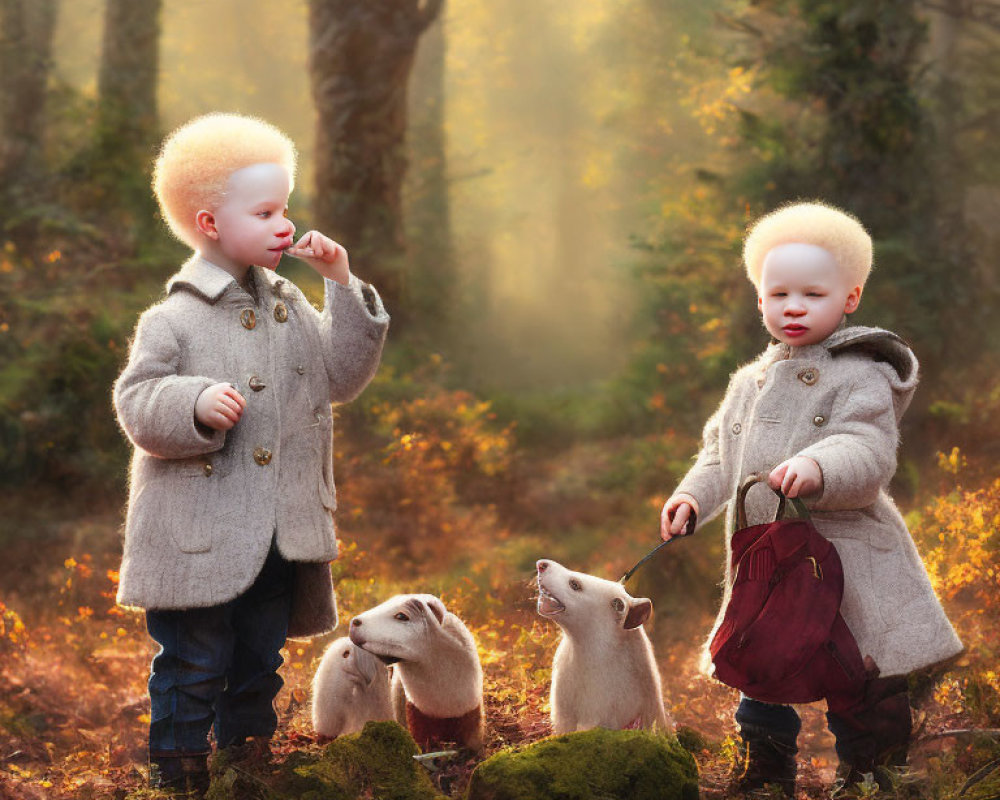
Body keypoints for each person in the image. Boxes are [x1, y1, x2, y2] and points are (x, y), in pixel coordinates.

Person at [113, 113, 390, 796]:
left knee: (258, 660)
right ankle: (177, 776)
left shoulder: (290, 303)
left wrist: (341, 283)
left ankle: (247, 766)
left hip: (278, 534)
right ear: (210, 224)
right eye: (265, 211)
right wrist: (193, 403)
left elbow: (341, 378)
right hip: (198, 537)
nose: (284, 224)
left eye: (285, 207)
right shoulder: (172, 318)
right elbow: (137, 402)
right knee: (193, 661)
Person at [659, 202, 962, 795]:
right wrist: (692, 498)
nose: (793, 307)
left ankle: (871, 773)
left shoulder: (859, 375)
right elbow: (719, 454)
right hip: (768, 561)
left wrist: (818, 464)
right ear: (760, 302)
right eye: (779, 295)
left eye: (813, 294)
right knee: (762, 660)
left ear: (849, 298)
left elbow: (868, 450)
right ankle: (767, 770)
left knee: (857, 673)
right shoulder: (748, 382)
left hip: (843, 558)